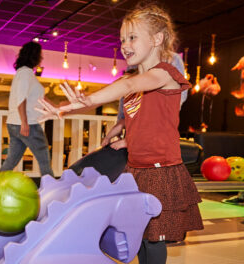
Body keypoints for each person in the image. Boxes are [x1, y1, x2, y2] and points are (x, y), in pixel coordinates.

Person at [37, 4, 202, 263]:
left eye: (132, 37)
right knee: (137, 232)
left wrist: (85, 100)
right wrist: (67, 110)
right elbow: (140, 117)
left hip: (160, 169)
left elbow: (130, 85)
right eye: (122, 39)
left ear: (157, 39)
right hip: (136, 168)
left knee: (153, 237)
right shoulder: (136, 81)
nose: (124, 45)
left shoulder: (165, 74)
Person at [0, 42, 54, 177]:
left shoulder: (24, 73)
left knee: (11, 161)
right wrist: (24, 122)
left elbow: (39, 98)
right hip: (27, 123)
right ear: (34, 56)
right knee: (44, 158)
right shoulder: (25, 74)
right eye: (40, 55)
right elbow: (21, 99)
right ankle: (51, 190)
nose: (41, 58)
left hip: (14, 123)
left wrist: (56, 108)